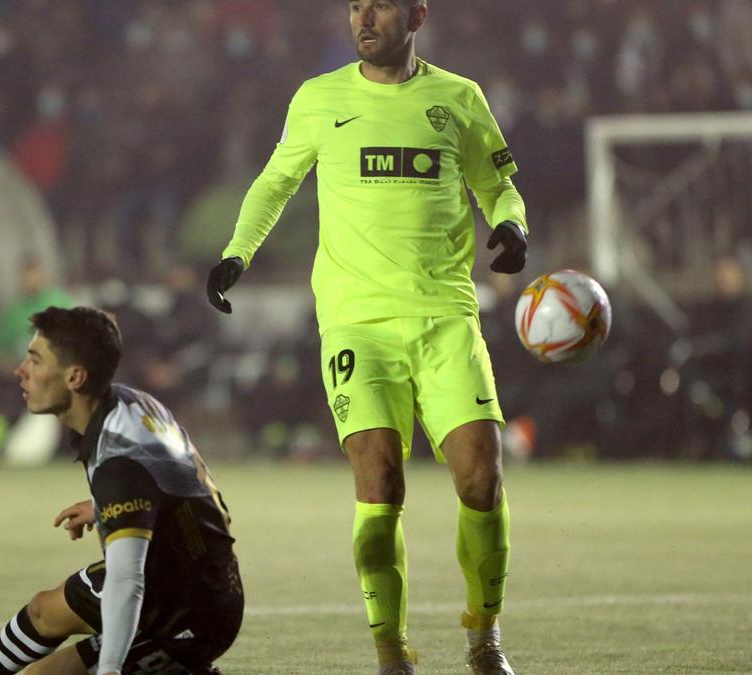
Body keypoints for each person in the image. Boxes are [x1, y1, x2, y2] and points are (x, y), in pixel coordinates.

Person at [207, 2, 528, 673]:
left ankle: (484, 635)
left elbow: (496, 185)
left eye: (381, 3)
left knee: (481, 476)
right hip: (356, 321)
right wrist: (237, 253)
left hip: (445, 316)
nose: (365, 16)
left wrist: (512, 225)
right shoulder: (319, 99)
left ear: (417, 14)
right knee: (379, 479)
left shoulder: (458, 98)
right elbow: (276, 184)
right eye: (355, 4)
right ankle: (391, 649)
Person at [0, 306, 242, 675]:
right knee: (44, 610)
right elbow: (177, 477)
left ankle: (181, 666)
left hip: (186, 614)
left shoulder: (120, 464)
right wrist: (105, 504)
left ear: (75, 377)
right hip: (186, 573)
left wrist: (109, 670)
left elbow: (127, 582)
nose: (21, 370)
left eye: (34, 359)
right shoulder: (128, 404)